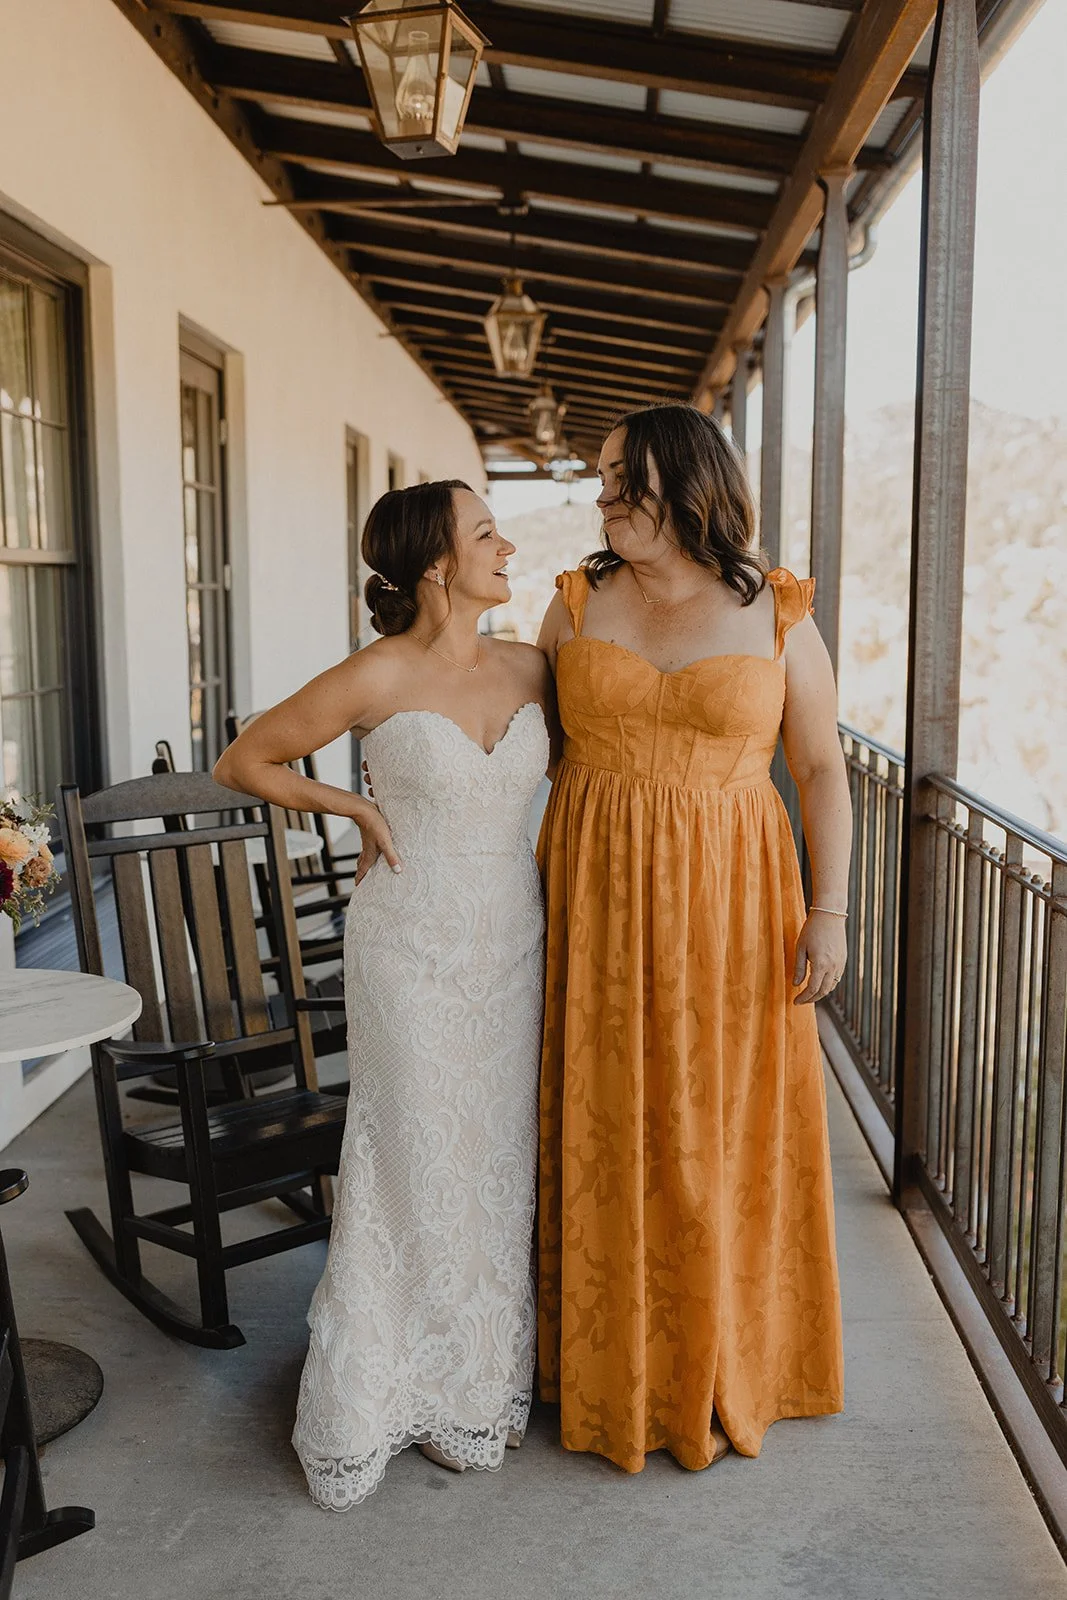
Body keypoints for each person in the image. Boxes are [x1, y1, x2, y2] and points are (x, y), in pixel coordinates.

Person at [214, 479, 553, 1509]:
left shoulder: (534, 667)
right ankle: (383, 1390)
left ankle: (474, 1385)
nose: (506, 546)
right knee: (411, 1155)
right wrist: (354, 807)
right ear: (437, 564)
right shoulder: (377, 672)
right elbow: (245, 759)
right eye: (485, 532)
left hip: (514, 943)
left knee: (494, 1160)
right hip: (407, 948)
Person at [535, 404, 849, 1476]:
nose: (604, 496)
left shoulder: (775, 612)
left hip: (733, 910)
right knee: (606, 1122)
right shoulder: (574, 602)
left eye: (623, 477)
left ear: (686, 480)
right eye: (602, 478)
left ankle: (717, 1363)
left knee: (717, 1137)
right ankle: (608, 1363)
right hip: (592, 903)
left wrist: (828, 909)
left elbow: (819, 769)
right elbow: (515, 746)